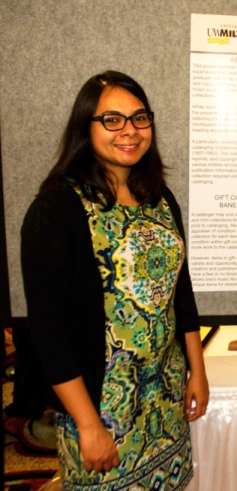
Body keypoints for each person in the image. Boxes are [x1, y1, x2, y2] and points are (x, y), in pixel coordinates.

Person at [21, 70, 209, 491]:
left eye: (140, 118)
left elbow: (182, 292)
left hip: (165, 393)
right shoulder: (57, 209)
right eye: (112, 119)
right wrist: (88, 426)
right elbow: (49, 331)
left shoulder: (159, 198)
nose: (130, 130)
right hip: (102, 405)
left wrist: (197, 370)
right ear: (85, 128)